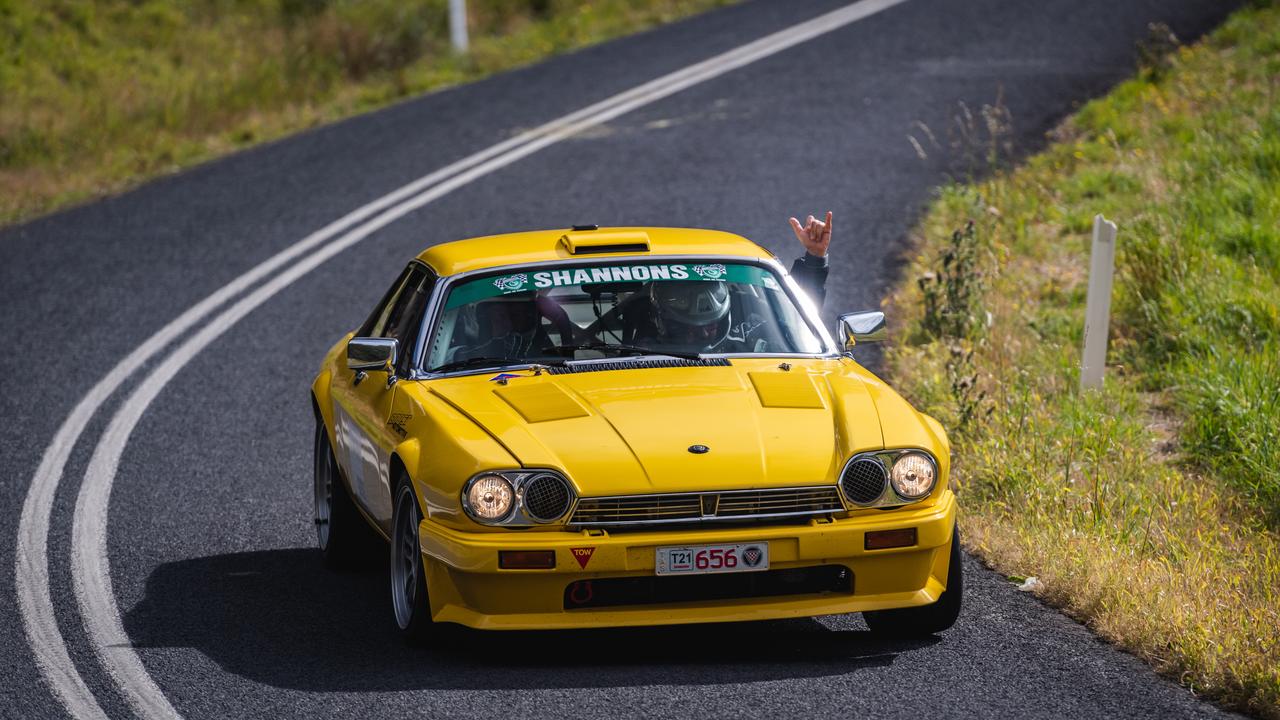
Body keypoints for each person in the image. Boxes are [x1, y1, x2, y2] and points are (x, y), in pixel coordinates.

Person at [640, 210, 833, 352]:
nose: (705, 336)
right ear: (663, 321)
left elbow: (794, 321)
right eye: (692, 330)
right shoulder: (636, 349)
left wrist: (814, 259)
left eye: (711, 327)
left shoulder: (752, 327)